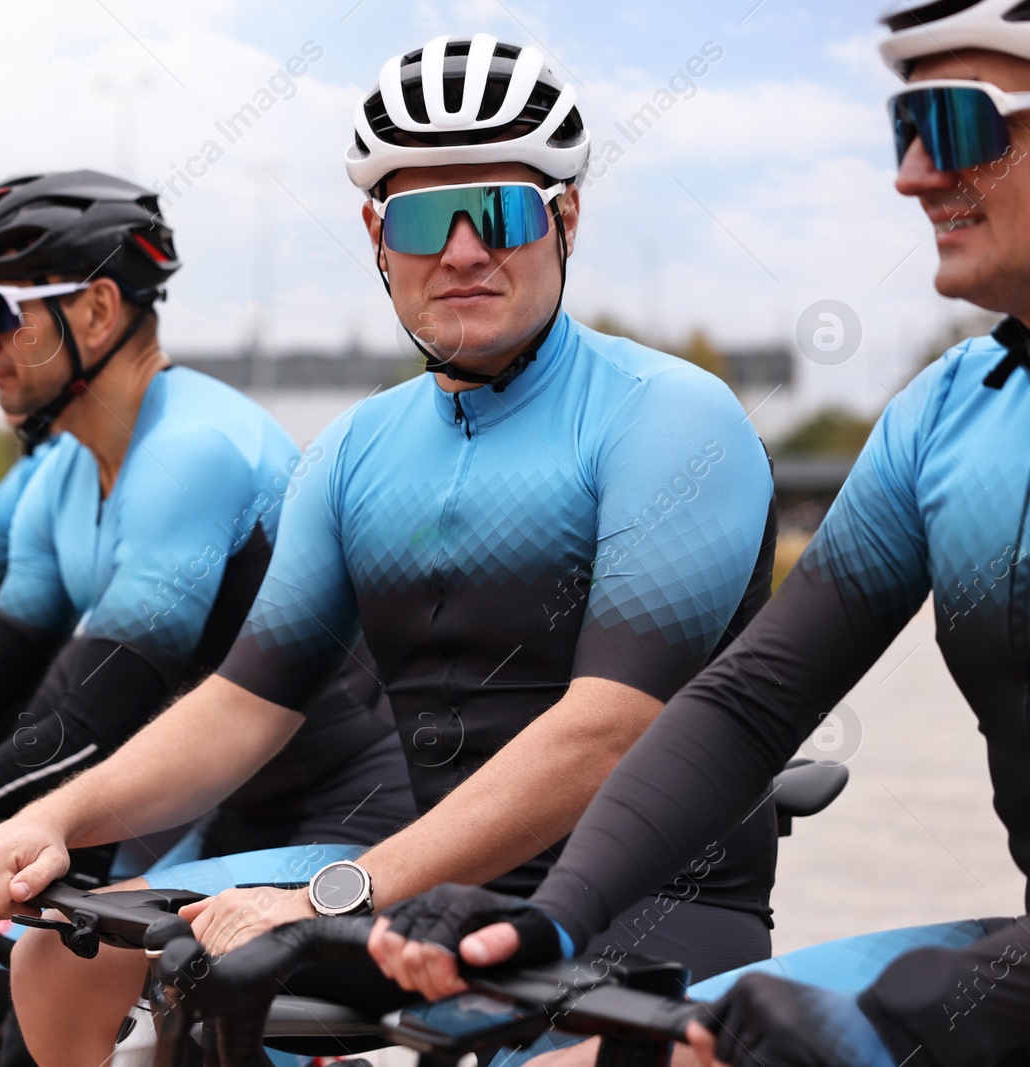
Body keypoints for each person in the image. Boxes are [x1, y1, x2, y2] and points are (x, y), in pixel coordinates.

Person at [0, 35, 780, 1067]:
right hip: (415, 884)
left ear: (564, 220)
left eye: (504, 212)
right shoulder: (351, 450)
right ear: (377, 235)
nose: (464, 251)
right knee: (62, 950)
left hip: (647, 898)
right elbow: (246, 701)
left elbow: (608, 731)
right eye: (427, 218)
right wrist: (55, 815)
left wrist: (333, 892)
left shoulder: (671, 416)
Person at [371, 7, 1030, 1067]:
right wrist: (558, 913)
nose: (912, 174)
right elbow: (748, 700)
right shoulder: (948, 412)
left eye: (953, 125)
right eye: (902, 127)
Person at [0, 169, 412, 865]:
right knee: (36, 961)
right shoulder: (63, 473)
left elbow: (95, 719)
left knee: (57, 963)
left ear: (96, 311)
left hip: (350, 808)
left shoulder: (192, 450)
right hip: (231, 810)